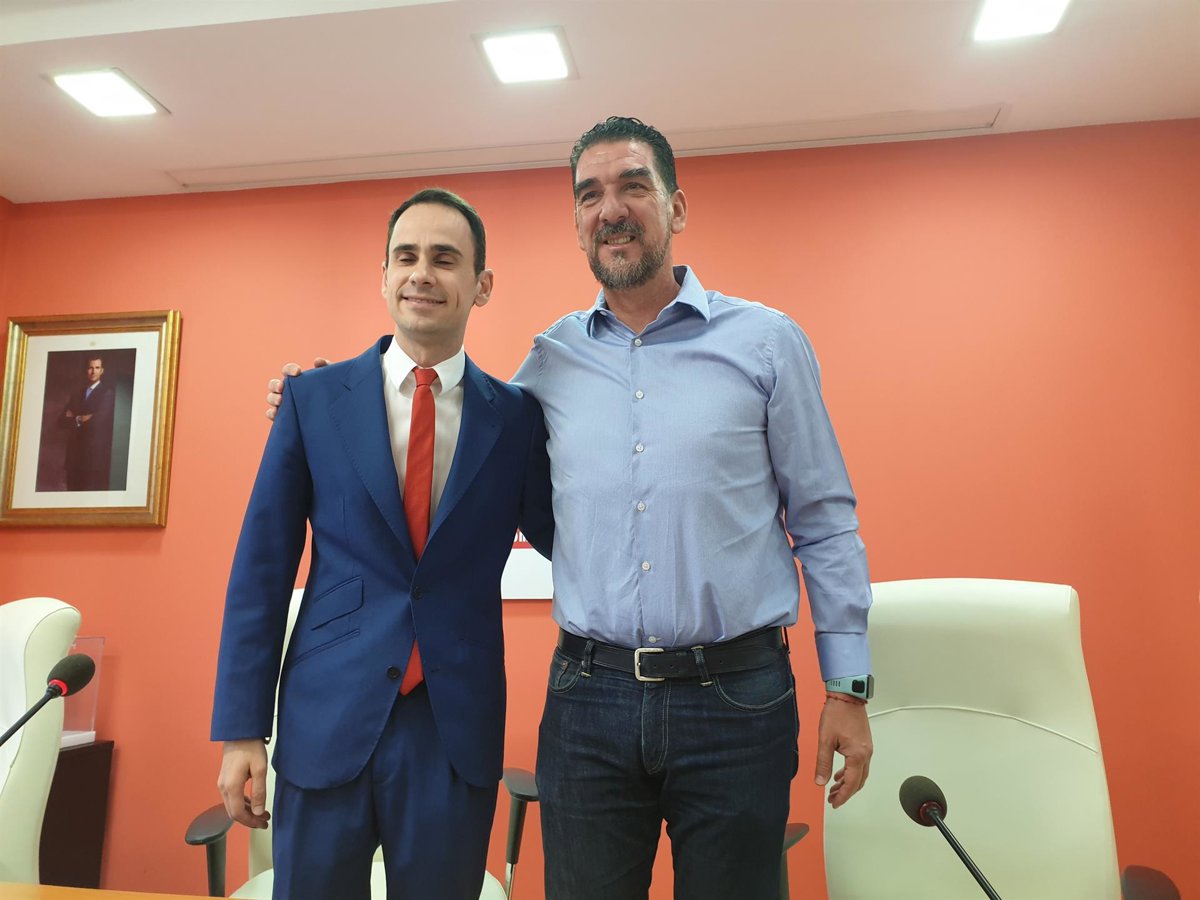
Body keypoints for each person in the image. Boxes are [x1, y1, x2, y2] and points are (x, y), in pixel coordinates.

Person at [268, 117, 874, 900]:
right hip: (590, 701)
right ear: (578, 222)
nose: (610, 209)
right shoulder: (549, 362)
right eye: (590, 195)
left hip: (736, 698)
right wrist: (336, 400)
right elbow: (457, 427)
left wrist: (847, 688)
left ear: (677, 207)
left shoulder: (766, 343)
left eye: (633, 187)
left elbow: (825, 521)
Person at [214, 188, 552, 900]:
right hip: (325, 718)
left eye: (445, 259)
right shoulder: (313, 400)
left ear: (482, 284)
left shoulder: (518, 419)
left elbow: (563, 536)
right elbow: (262, 570)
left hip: (452, 729)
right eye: (407, 256)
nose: (422, 273)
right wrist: (243, 730)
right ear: (384, 275)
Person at [60, 356, 115, 490]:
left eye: (97, 368)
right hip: (74, 457)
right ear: (86, 370)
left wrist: (74, 417)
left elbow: (97, 423)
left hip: (92, 458)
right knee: (71, 496)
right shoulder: (77, 394)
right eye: (90, 368)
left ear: (102, 371)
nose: (93, 371)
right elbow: (61, 421)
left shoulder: (107, 393)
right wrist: (81, 418)